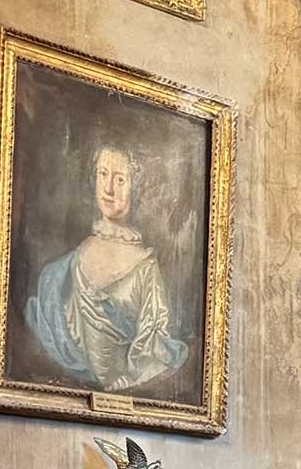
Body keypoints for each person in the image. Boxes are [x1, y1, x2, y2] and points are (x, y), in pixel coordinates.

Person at [24, 140, 189, 391]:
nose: (108, 188)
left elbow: (153, 346)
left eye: (120, 179)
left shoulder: (146, 269)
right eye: (103, 174)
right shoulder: (66, 267)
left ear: (137, 187)